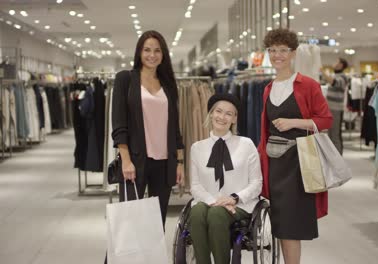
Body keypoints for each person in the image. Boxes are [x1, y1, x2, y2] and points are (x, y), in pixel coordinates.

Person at [257, 28, 333, 264]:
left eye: (283, 50)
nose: (277, 55)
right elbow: (265, 131)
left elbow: (326, 120)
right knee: (280, 224)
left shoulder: (307, 85)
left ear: (293, 53)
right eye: (272, 50)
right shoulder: (268, 89)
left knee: (290, 226)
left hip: (299, 164)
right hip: (275, 163)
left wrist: (293, 122)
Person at [111, 30, 184, 223]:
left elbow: (175, 128)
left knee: (156, 225)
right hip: (134, 161)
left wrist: (180, 162)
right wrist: (125, 160)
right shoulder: (125, 79)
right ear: (139, 53)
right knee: (126, 223)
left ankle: (151, 255)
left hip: (164, 163)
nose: (152, 55)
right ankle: (117, 256)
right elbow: (119, 125)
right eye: (147, 50)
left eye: (157, 50)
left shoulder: (168, 84)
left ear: (163, 54)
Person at [189, 93, 263, 264]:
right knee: (197, 211)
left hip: (241, 205)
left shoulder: (246, 144)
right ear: (211, 114)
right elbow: (195, 185)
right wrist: (215, 201)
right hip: (208, 203)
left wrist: (233, 198)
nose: (222, 117)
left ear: (234, 119)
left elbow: (256, 183)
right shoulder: (197, 148)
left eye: (228, 113)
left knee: (215, 215)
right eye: (218, 111)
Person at [322, 58, 350, 155]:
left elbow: (334, 83)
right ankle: (333, 157)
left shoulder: (343, 77)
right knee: (330, 134)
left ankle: (338, 158)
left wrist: (322, 71)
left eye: (336, 61)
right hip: (330, 109)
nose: (334, 63)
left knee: (335, 134)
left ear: (341, 65)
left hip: (336, 110)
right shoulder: (336, 75)